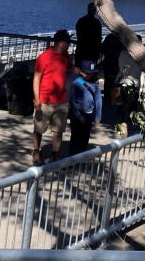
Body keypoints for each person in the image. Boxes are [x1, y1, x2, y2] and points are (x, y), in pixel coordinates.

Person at [31, 29, 72, 165]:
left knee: (58, 130)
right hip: (45, 100)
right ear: (60, 43)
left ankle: (55, 154)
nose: (69, 45)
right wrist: (37, 99)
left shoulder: (66, 57)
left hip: (61, 101)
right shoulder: (44, 57)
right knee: (39, 129)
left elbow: (71, 69)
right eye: (67, 43)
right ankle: (37, 151)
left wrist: (82, 72)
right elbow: (36, 78)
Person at [68, 59, 103, 155]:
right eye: (87, 73)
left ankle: (81, 156)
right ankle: (72, 159)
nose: (90, 75)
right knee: (75, 137)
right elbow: (72, 101)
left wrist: (98, 115)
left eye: (91, 73)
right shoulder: (76, 83)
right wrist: (79, 116)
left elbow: (98, 99)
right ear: (81, 72)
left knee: (85, 136)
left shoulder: (95, 83)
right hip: (77, 115)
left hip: (89, 114)